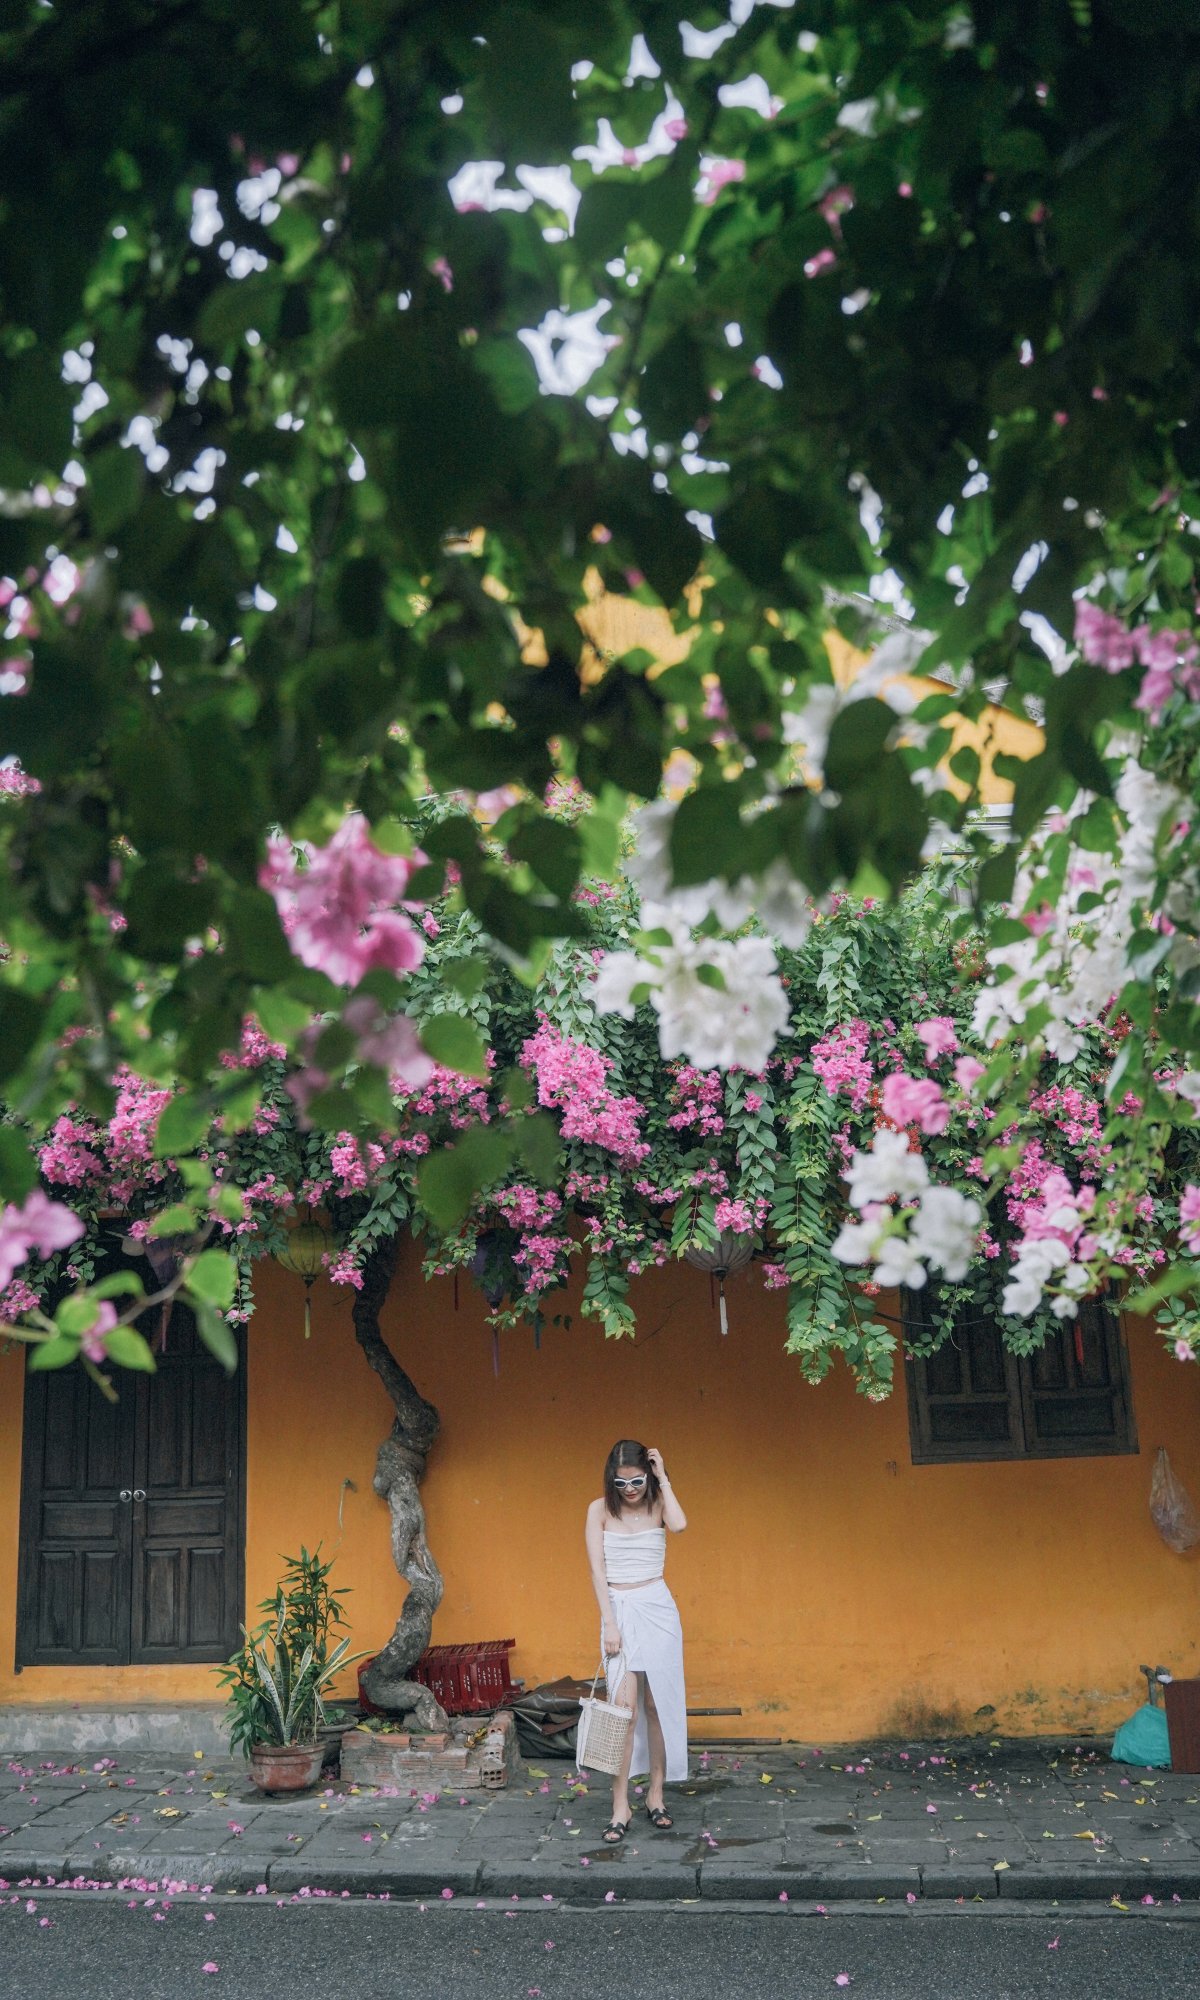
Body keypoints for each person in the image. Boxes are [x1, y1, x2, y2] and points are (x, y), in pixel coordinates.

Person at [584, 1439, 688, 1843]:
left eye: (637, 1481)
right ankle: (620, 1805)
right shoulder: (599, 1510)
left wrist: (663, 1479)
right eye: (621, 1482)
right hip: (619, 1610)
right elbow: (597, 1572)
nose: (629, 1489)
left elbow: (679, 1525)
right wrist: (610, 1624)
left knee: (656, 1705)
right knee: (623, 1711)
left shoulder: (659, 1503)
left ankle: (656, 1795)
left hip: (657, 1609)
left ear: (649, 1475)